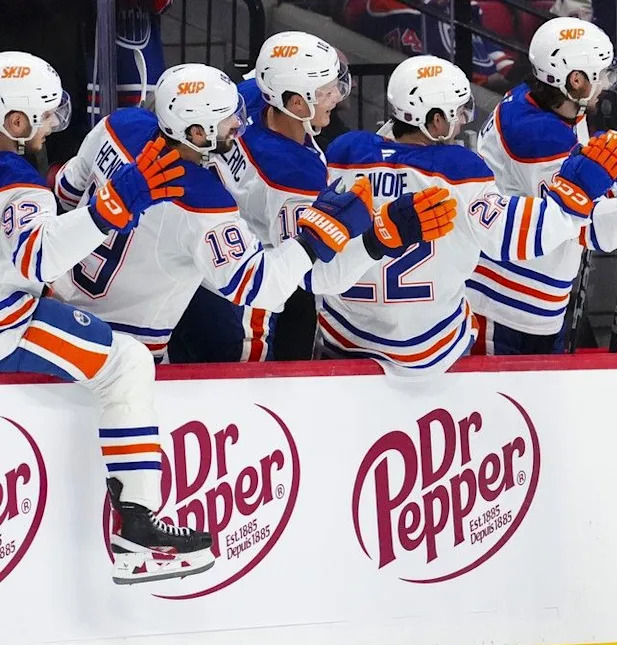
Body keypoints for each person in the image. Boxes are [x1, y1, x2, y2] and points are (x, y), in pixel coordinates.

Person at [51, 62, 452, 362]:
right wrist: (314, 241)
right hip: (119, 352)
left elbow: (66, 192)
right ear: (196, 132)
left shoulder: (119, 125)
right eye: (227, 119)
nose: (238, 124)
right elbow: (262, 287)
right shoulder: (201, 201)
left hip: (58, 313)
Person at [0, 50, 211, 584]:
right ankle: (137, 527)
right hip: (6, 324)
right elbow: (37, 258)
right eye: (45, 115)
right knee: (128, 363)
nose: (52, 126)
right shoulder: (16, 178)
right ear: (15, 122)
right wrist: (108, 210)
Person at [320, 55, 617, 375]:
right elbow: (521, 234)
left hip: (343, 348)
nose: (462, 121)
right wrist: (578, 192)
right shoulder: (456, 173)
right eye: (458, 112)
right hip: (431, 355)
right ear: (436, 121)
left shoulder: (344, 156)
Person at [167, 31, 352, 363]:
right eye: (326, 91)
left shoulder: (247, 96)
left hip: (194, 268)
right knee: (243, 387)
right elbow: (309, 269)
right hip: (242, 296)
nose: (336, 97)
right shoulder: (297, 172)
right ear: (296, 103)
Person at [468, 16, 617, 355]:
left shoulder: (544, 102)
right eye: (600, 74)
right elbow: (579, 220)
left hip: (530, 294)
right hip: (505, 303)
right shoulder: (539, 135)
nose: (607, 83)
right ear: (575, 79)